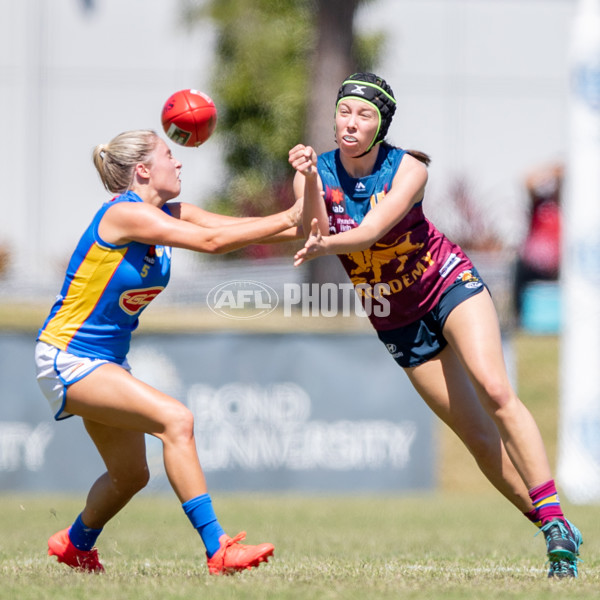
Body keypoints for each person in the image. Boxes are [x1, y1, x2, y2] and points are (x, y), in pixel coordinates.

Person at [288, 72, 582, 578]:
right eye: (344, 111)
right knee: (478, 438)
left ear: (381, 126)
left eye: (364, 115)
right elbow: (310, 225)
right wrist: (311, 181)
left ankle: (556, 526)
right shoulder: (313, 171)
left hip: (447, 284)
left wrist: (325, 244)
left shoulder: (410, 169)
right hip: (395, 317)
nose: (351, 123)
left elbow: (370, 231)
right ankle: (552, 527)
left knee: (494, 389)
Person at [35, 129, 302, 575]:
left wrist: (303, 216)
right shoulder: (126, 216)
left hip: (104, 361)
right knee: (176, 420)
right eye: (168, 155)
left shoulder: (170, 213)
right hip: (68, 357)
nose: (178, 164)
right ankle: (218, 549)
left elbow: (231, 231)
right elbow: (212, 244)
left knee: (131, 476)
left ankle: (75, 544)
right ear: (143, 169)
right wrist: (291, 216)